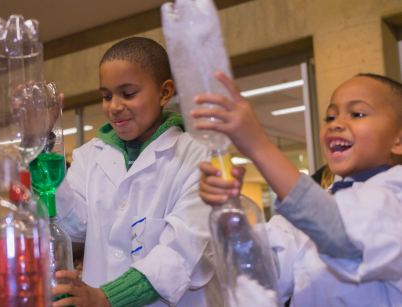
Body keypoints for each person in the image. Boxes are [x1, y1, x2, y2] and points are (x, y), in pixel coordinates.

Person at [193, 72, 402, 306]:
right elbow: (260, 272)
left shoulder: (395, 195)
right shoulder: (321, 203)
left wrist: (258, 146)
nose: (337, 124)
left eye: (357, 114)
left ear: (399, 140)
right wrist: (229, 210)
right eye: (330, 117)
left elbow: (339, 234)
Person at [52, 37, 222, 307]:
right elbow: (68, 226)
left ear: (164, 92)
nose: (114, 106)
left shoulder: (198, 156)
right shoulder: (88, 157)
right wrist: (40, 143)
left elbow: (183, 252)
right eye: (106, 96)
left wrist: (106, 297)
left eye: (128, 93)